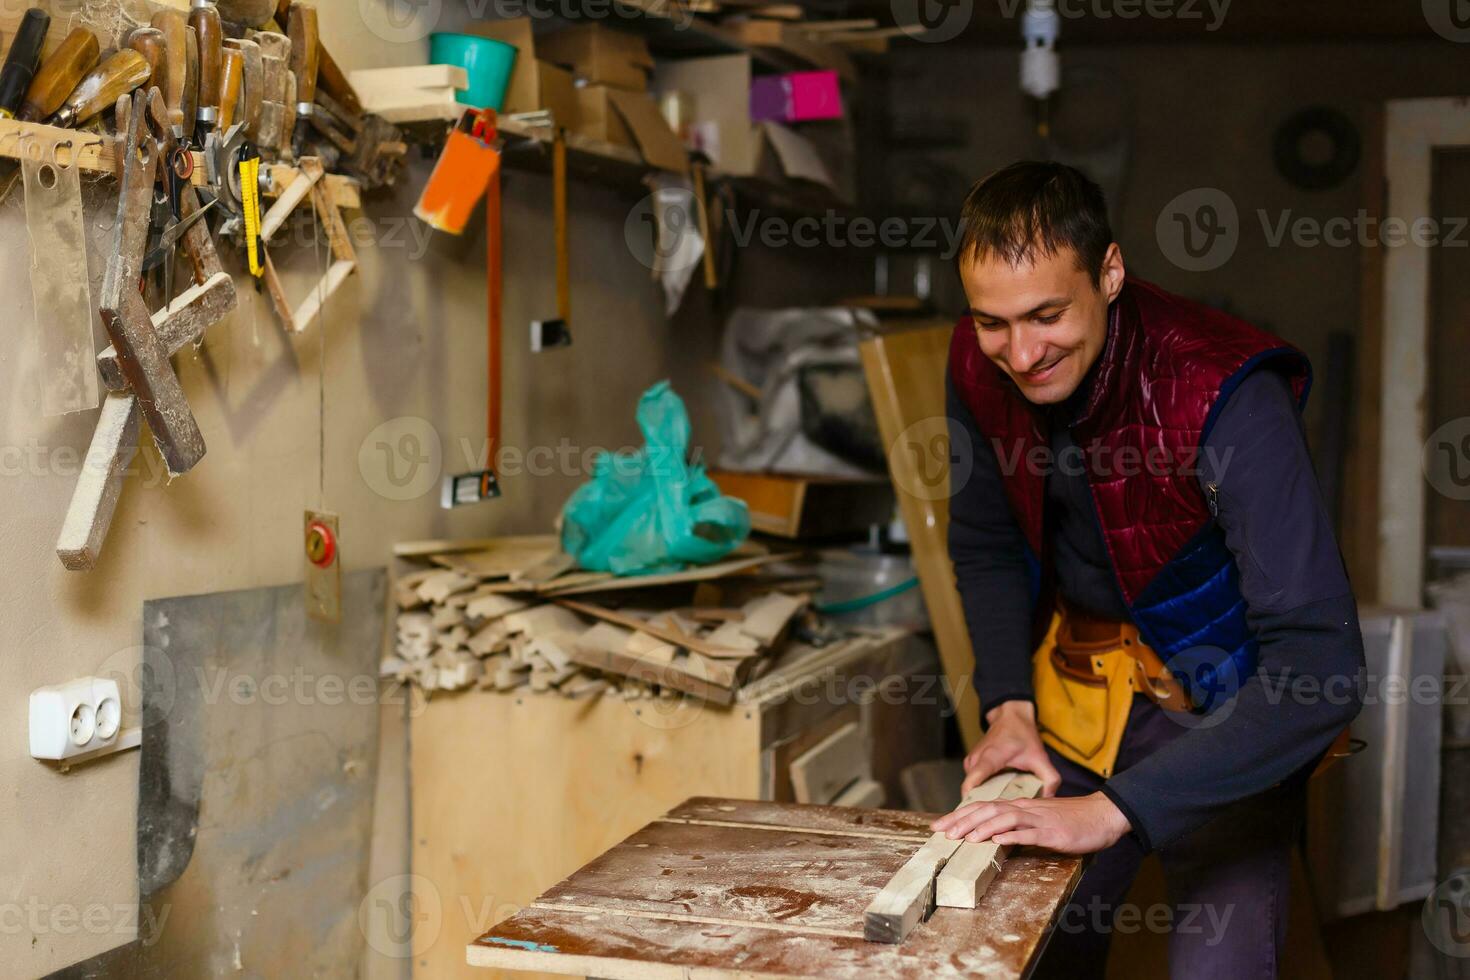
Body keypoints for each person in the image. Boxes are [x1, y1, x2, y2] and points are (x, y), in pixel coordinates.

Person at [929, 161, 1364, 978]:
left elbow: (1322, 666)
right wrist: (1006, 704)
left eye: (1048, 314)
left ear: (1112, 272)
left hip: (1225, 709)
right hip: (1076, 692)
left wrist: (1115, 810)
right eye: (993, 322)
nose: (1021, 354)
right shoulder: (976, 359)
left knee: (1219, 966)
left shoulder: (1224, 389)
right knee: (1026, 951)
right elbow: (985, 542)